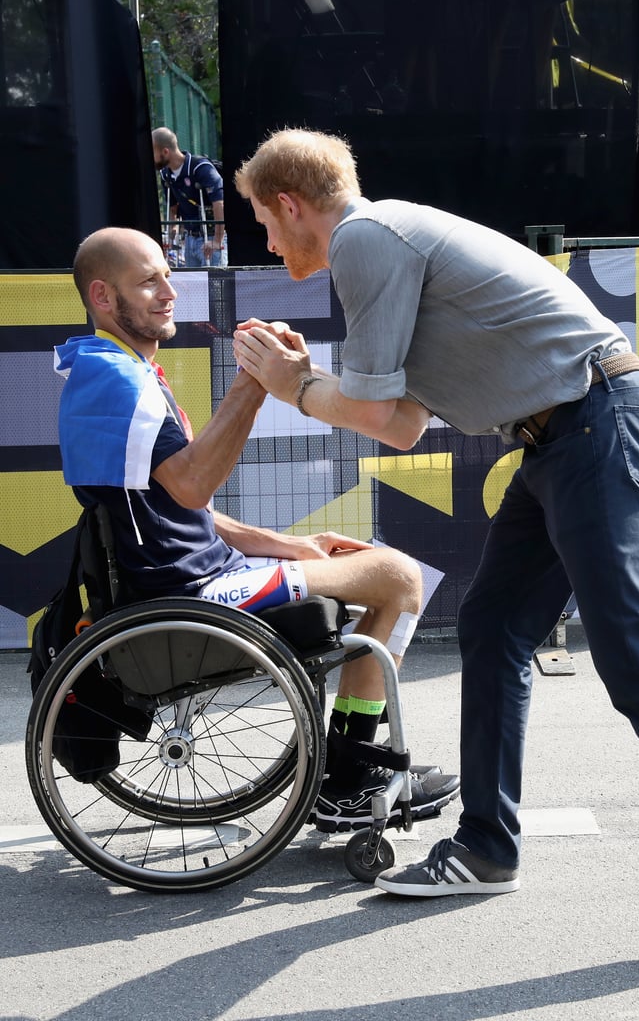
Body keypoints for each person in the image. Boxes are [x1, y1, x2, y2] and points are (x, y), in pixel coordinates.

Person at [231, 128, 639, 968]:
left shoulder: (363, 240)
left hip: (590, 425)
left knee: (635, 658)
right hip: (562, 435)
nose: (268, 246)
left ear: (290, 203)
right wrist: (310, 384)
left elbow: (379, 419)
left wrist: (293, 388)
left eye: (266, 228)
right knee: (493, 628)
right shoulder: (381, 241)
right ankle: (486, 849)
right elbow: (405, 419)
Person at [55, 225, 459, 833]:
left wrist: (291, 545)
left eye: (167, 274)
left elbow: (184, 507)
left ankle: (346, 767)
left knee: (375, 570)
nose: (169, 291)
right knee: (397, 576)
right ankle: (347, 778)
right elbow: (193, 488)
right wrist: (255, 383)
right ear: (103, 297)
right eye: (148, 282)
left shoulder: (109, 373)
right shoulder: (118, 381)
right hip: (188, 595)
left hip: (192, 579)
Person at [152, 127, 225, 267]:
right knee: (194, 287)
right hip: (189, 239)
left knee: (216, 286)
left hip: (209, 237)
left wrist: (217, 240)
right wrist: (170, 237)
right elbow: (172, 209)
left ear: (165, 151)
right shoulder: (166, 175)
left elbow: (219, 202)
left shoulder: (201, 167)